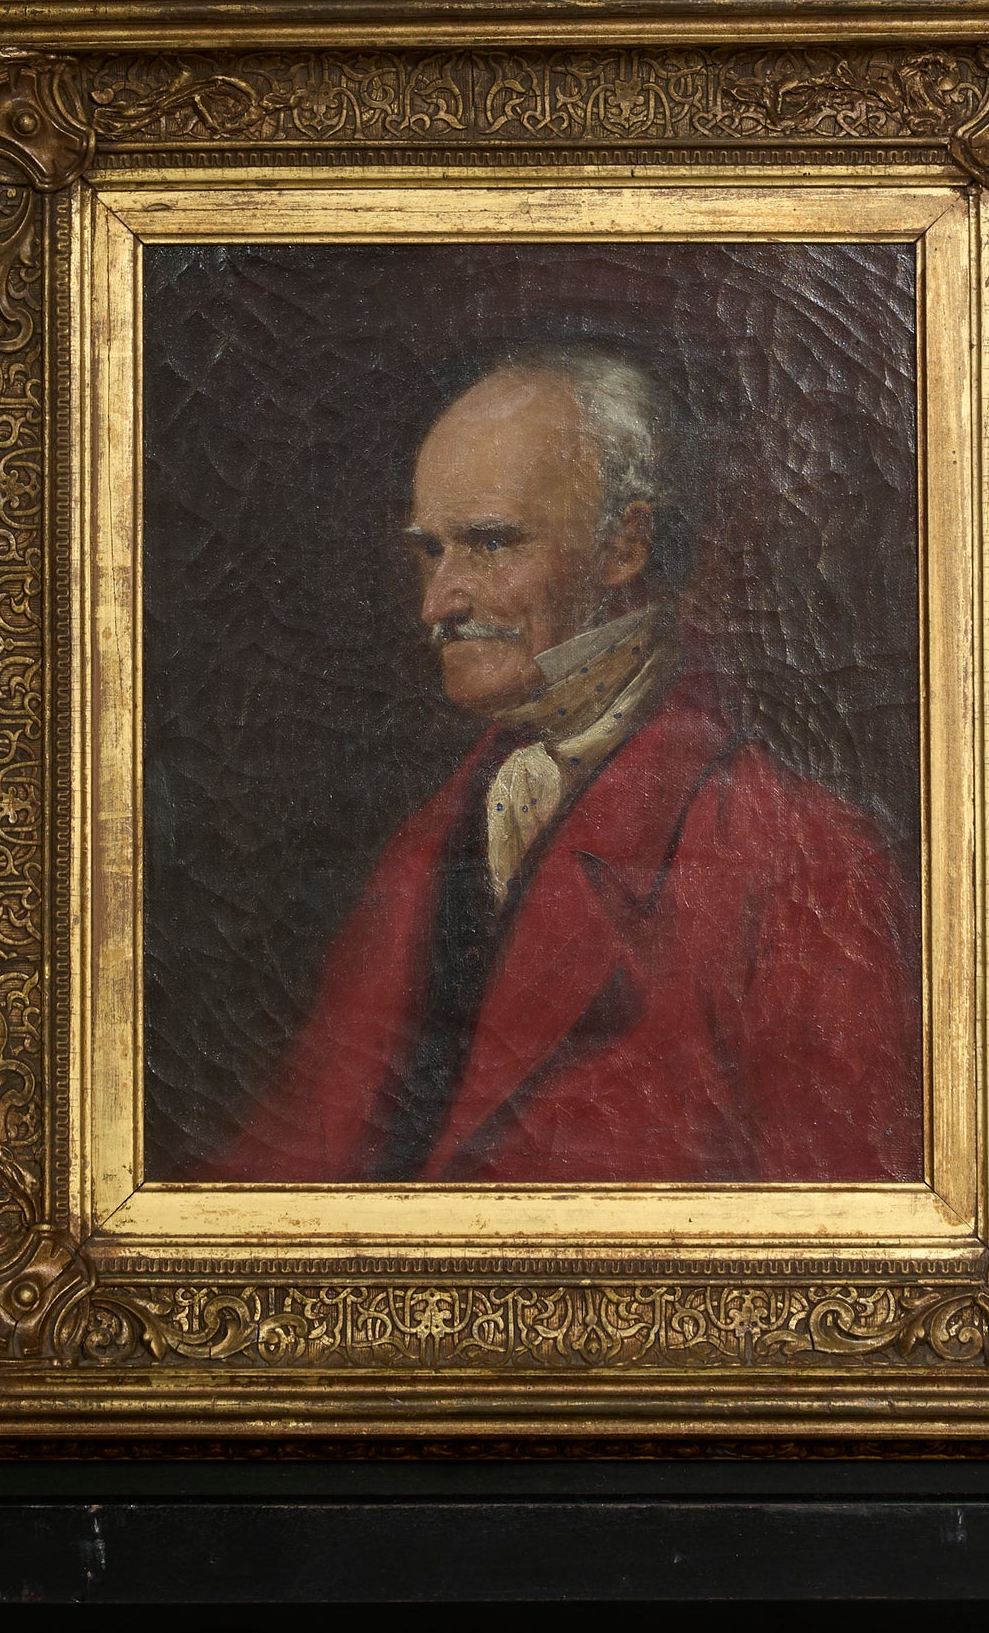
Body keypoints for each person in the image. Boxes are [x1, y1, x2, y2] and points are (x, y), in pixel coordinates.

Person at [213, 348, 922, 1183]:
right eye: (430, 552)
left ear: (624, 546)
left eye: (489, 544)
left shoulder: (812, 863)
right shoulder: (421, 850)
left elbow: (851, 1227)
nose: (436, 604)